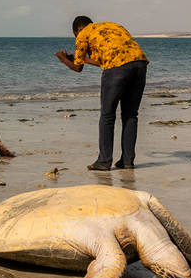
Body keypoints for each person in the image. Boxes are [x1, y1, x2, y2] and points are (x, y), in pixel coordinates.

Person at [55, 16, 148, 170]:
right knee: (131, 114)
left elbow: (78, 68)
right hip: (140, 64)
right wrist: (82, 58)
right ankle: (127, 161)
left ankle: (104, 161)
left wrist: (63, 59)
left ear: (77, 30)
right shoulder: (113, 26)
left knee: (107, 115)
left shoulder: (83, 34)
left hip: (117, 68)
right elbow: (105, 61)